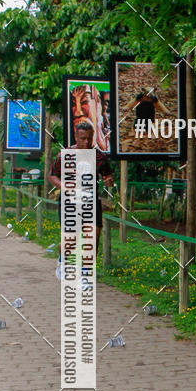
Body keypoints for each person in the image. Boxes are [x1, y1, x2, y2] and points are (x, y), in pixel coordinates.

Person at [48, 120, 114, 280]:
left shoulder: (99, 157)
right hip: (69, 202)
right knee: (70, 241)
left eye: (89, 139)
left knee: (93, 236)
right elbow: (51, 175)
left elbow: (107, 175)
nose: (86, 142)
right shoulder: (64, 155)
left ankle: (86, 275)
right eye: (83, 138)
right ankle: (62, 260)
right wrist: (63, 186)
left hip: (91, 201)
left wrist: (108, 180)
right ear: (76, 137)